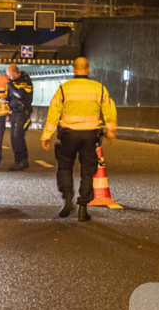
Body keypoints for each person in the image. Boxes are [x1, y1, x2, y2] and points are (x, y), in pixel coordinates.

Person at [40, 57, 117, 222]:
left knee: (65, 166)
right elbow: (109, 108)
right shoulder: (99, 88)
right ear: (88, 70)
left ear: (74, 70)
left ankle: (67, 199)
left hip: (68, 134)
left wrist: (46, 135)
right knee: (87, 170)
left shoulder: (64, 88)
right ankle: (83, 208)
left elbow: (53, 112)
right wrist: (111, 129)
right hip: (90, 135)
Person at [3, 64, 34, 171]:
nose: (9, 78)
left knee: (18, 137)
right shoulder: (13, 82)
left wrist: (9, 84)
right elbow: (12, 96)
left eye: (10, 76)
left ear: (16, 74)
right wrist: (7, 102)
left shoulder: (25, 81)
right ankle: (19, 160)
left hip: (23, 113)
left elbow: (20, 95)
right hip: (15, 112)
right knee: (13, 138)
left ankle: (22, 160)